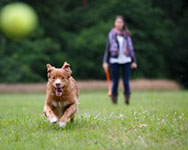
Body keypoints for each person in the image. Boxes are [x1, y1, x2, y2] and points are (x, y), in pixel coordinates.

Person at [103, 15, 137, 105]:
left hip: (126, 60)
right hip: (114, 60)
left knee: (126, 81)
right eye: (117, 22)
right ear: (115, 23)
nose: (119, 24)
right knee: (115, 81)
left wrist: (134, 61)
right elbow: (107, 49)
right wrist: (105, 61)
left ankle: (127, 99)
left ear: (123, 23)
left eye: (121, 22)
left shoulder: (127, 34)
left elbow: (131, 49)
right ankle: (114, 100)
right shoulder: (111, 34)